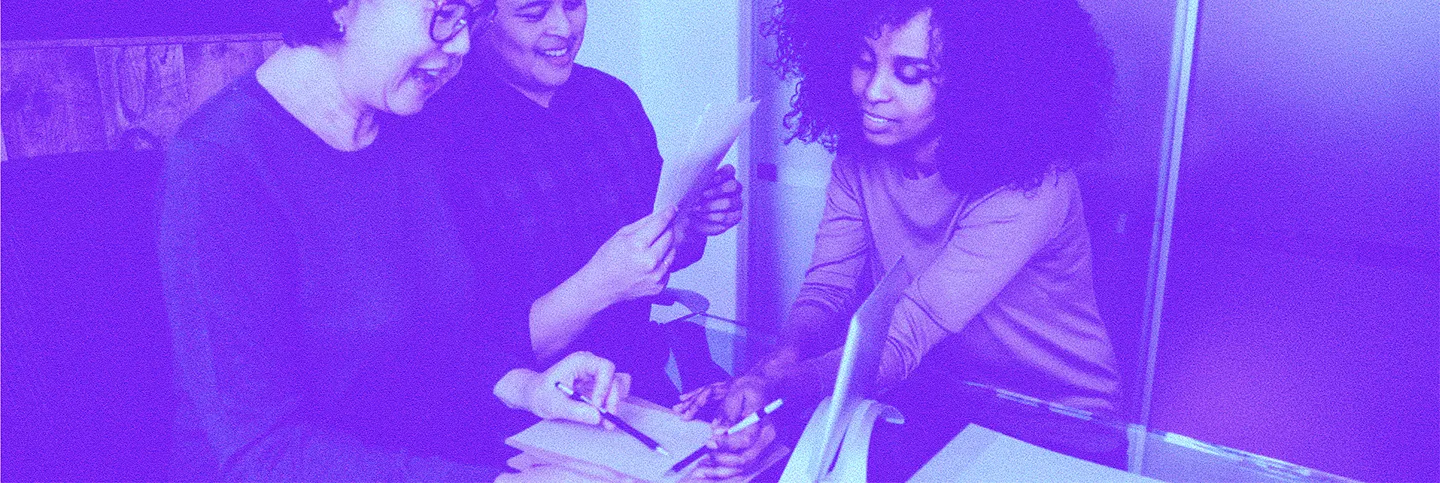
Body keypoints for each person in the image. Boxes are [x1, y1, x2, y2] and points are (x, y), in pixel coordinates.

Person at [160, 0, 631, 480]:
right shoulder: (218, 164)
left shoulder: (406, 125)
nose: (463, 44)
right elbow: (262, 453)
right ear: (342, 9)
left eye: (471, 18)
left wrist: (524, 387)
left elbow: (423, 350)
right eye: (444, 13)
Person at [675, 0, 1125, 479]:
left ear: (976, 83)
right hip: (939, 400)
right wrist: (773, 367)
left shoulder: (1033, 187)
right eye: (865, 61)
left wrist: (778, 387)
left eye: (909, 73)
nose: (873, 91)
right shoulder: (859, 161)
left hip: (1056, 423)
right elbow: (827, 291)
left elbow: (909, 332)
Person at [389, 0, 744, 406]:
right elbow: (459, 357)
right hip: (509, 412)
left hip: (637, 385)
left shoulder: (612, 100)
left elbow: (654, 256)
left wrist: (690, 223)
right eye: (533, 14)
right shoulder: (430, 133)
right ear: (479, 21)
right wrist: (598, 287)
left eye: (574, 5)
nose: (563, 27)